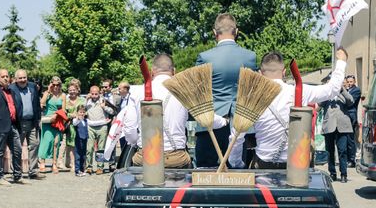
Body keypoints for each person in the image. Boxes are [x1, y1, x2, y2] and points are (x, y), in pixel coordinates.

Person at [228, 49, 349, 169]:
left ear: (260, 73)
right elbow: (332, 89)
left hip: (263, 165)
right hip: (296, 168)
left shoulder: (251, 98)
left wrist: (237, 164)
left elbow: (236, 137)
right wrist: (341, 62)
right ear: (284, 72)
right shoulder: (299, 91)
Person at [124, 54, 225, 169]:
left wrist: (136, 143)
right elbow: (208, 118)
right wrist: (225, 121)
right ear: (174, 71)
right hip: (176, 159)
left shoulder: (137, 92)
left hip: (146, 158)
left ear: (152, 71)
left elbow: (129, 128)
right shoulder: (184, 91)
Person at [195, 13, 257, 167]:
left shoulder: (205, 57)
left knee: (205, 177)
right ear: (236, 32)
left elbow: (197, 92)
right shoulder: (250, 57)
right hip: (239, 128)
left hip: (210, 124)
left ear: (214, 33)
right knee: (237, 179)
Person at [0, 69, 27, 186]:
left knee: (17, 150)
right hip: (0, 127)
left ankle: (17, 175)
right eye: (3, 76)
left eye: (7, 76)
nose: (6, 78)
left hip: (12, 126)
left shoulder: (12, 91)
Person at [11, 69, 45, 179]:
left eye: (24, 77)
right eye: (20, 78)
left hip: (32, 122)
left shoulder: (32, 86)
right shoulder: (11, 89)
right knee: (17, 148)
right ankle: (17, 172)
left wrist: (38, 118)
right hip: (18, 123)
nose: (22, 80)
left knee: (35, 145)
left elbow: (36, 104)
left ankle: (33, 171)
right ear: (16, 79)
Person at [321, 80, 355, 183]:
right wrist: (328, 91)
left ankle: (343, 173)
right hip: (329, 125)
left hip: (342, 125)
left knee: (342, 151)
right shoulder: (327, 93)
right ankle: (332, 173)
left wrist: (341, 90)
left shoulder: (344, 92)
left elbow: (351, 101)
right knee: (329, 151)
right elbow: (319, 103)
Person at [39, 76, 66, 174]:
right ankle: (42, 162)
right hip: (48, 119)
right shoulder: (47, 93)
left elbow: (64, 109)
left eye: (57, 85)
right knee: (46, 140)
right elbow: (41, 103)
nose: (55, 87)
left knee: (56, 142)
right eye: (53, 84)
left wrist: (57, 114)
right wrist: (48, 91)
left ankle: (54, 163)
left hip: (57, 120)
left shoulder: (62, 95)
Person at [85, 85, 114, 174]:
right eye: (92, 94)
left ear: (99, 93)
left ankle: (100, 167)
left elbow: (112, 111)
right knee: (89, 148)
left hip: (102, 126)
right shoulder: (87, 101)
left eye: (96, 94)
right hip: (90, 126)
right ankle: (88, 166)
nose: (94, 96)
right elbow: (81, 109)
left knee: (101, 148)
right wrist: (86, 100)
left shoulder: (104, 100)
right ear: (90, 93)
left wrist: (104, 107)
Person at [62, 80, 85, 172]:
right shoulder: (66, 101)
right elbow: (64, 112)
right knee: (71, 145)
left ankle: (80, 163)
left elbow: (84, 111)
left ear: (77, 90)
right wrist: (70, 115)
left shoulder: (82, 100)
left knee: (80, 144)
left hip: (80, 124)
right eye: (70, 90)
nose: (72, 91)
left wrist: (79, 115)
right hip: (70, 125)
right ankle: (72, 164)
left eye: (74, 90)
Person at [345, 75, 361, 166]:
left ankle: (351, 160)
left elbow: (350, 102)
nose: (349, 84)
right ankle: (347, 159)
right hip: (345, 115)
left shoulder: (356, 90)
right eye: (348, 82)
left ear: (354, 82)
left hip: (351, 115)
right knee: (345, 138)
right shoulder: (347, 90)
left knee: (350, 138)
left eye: (351, 82)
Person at [72, 104, 89, 176]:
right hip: (78, 140)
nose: (82, 114)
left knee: (83, 155)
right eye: (80, 112)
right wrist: (78, 118)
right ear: (77, 112)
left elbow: (93, 123)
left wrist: (104, 121)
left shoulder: (86, 120)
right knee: (78, 155)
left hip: (85, 139)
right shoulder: (76, 120)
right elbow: (74, 123)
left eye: (83, 112)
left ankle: (82, 169)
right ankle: (77, 170)